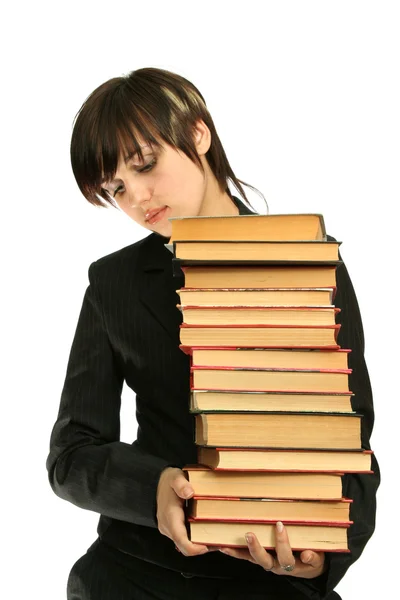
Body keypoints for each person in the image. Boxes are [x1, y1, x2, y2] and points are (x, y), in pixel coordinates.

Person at [46, 67, 380, 600]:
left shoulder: (310, 265)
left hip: (269, 579)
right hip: (135, 570)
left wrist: (318, 563)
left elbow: (350, 443)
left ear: (198, 134)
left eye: (145, 164)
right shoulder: (113, 285)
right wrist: (151, 487)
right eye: (116, 188)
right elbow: (70, 455)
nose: (137, 197)